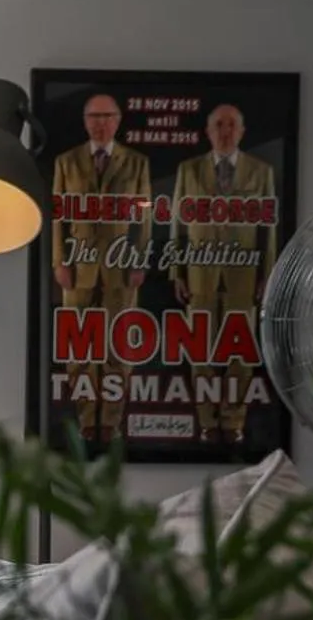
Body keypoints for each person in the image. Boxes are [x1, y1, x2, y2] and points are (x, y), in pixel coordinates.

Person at [171, 103, 279, 444]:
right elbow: (178, 226)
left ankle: (232, 423)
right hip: (199, 275)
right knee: (200, 350)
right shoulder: (188, 170)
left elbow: (268, 229)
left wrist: (269, 274)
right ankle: (206, 422)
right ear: (208, 131)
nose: (225, 131)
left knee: (239, 352)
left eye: (232, 125)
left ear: (242, 131)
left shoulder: (261, 172)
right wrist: (177, 272)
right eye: (219, 124)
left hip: (243, 277)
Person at [50, 93, 152, 442]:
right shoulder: (66, 161)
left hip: (121, 264)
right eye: (94, 116)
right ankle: (85, 419)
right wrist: (59, 261)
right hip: (78, 266)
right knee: (78, 346)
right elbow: (58, 215)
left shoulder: (136, 162)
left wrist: (138, 260)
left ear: (118, 120)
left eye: (107, 115)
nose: (100, 122)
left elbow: (143, 216)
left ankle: (109, 422)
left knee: (117, 346)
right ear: (84, 120)